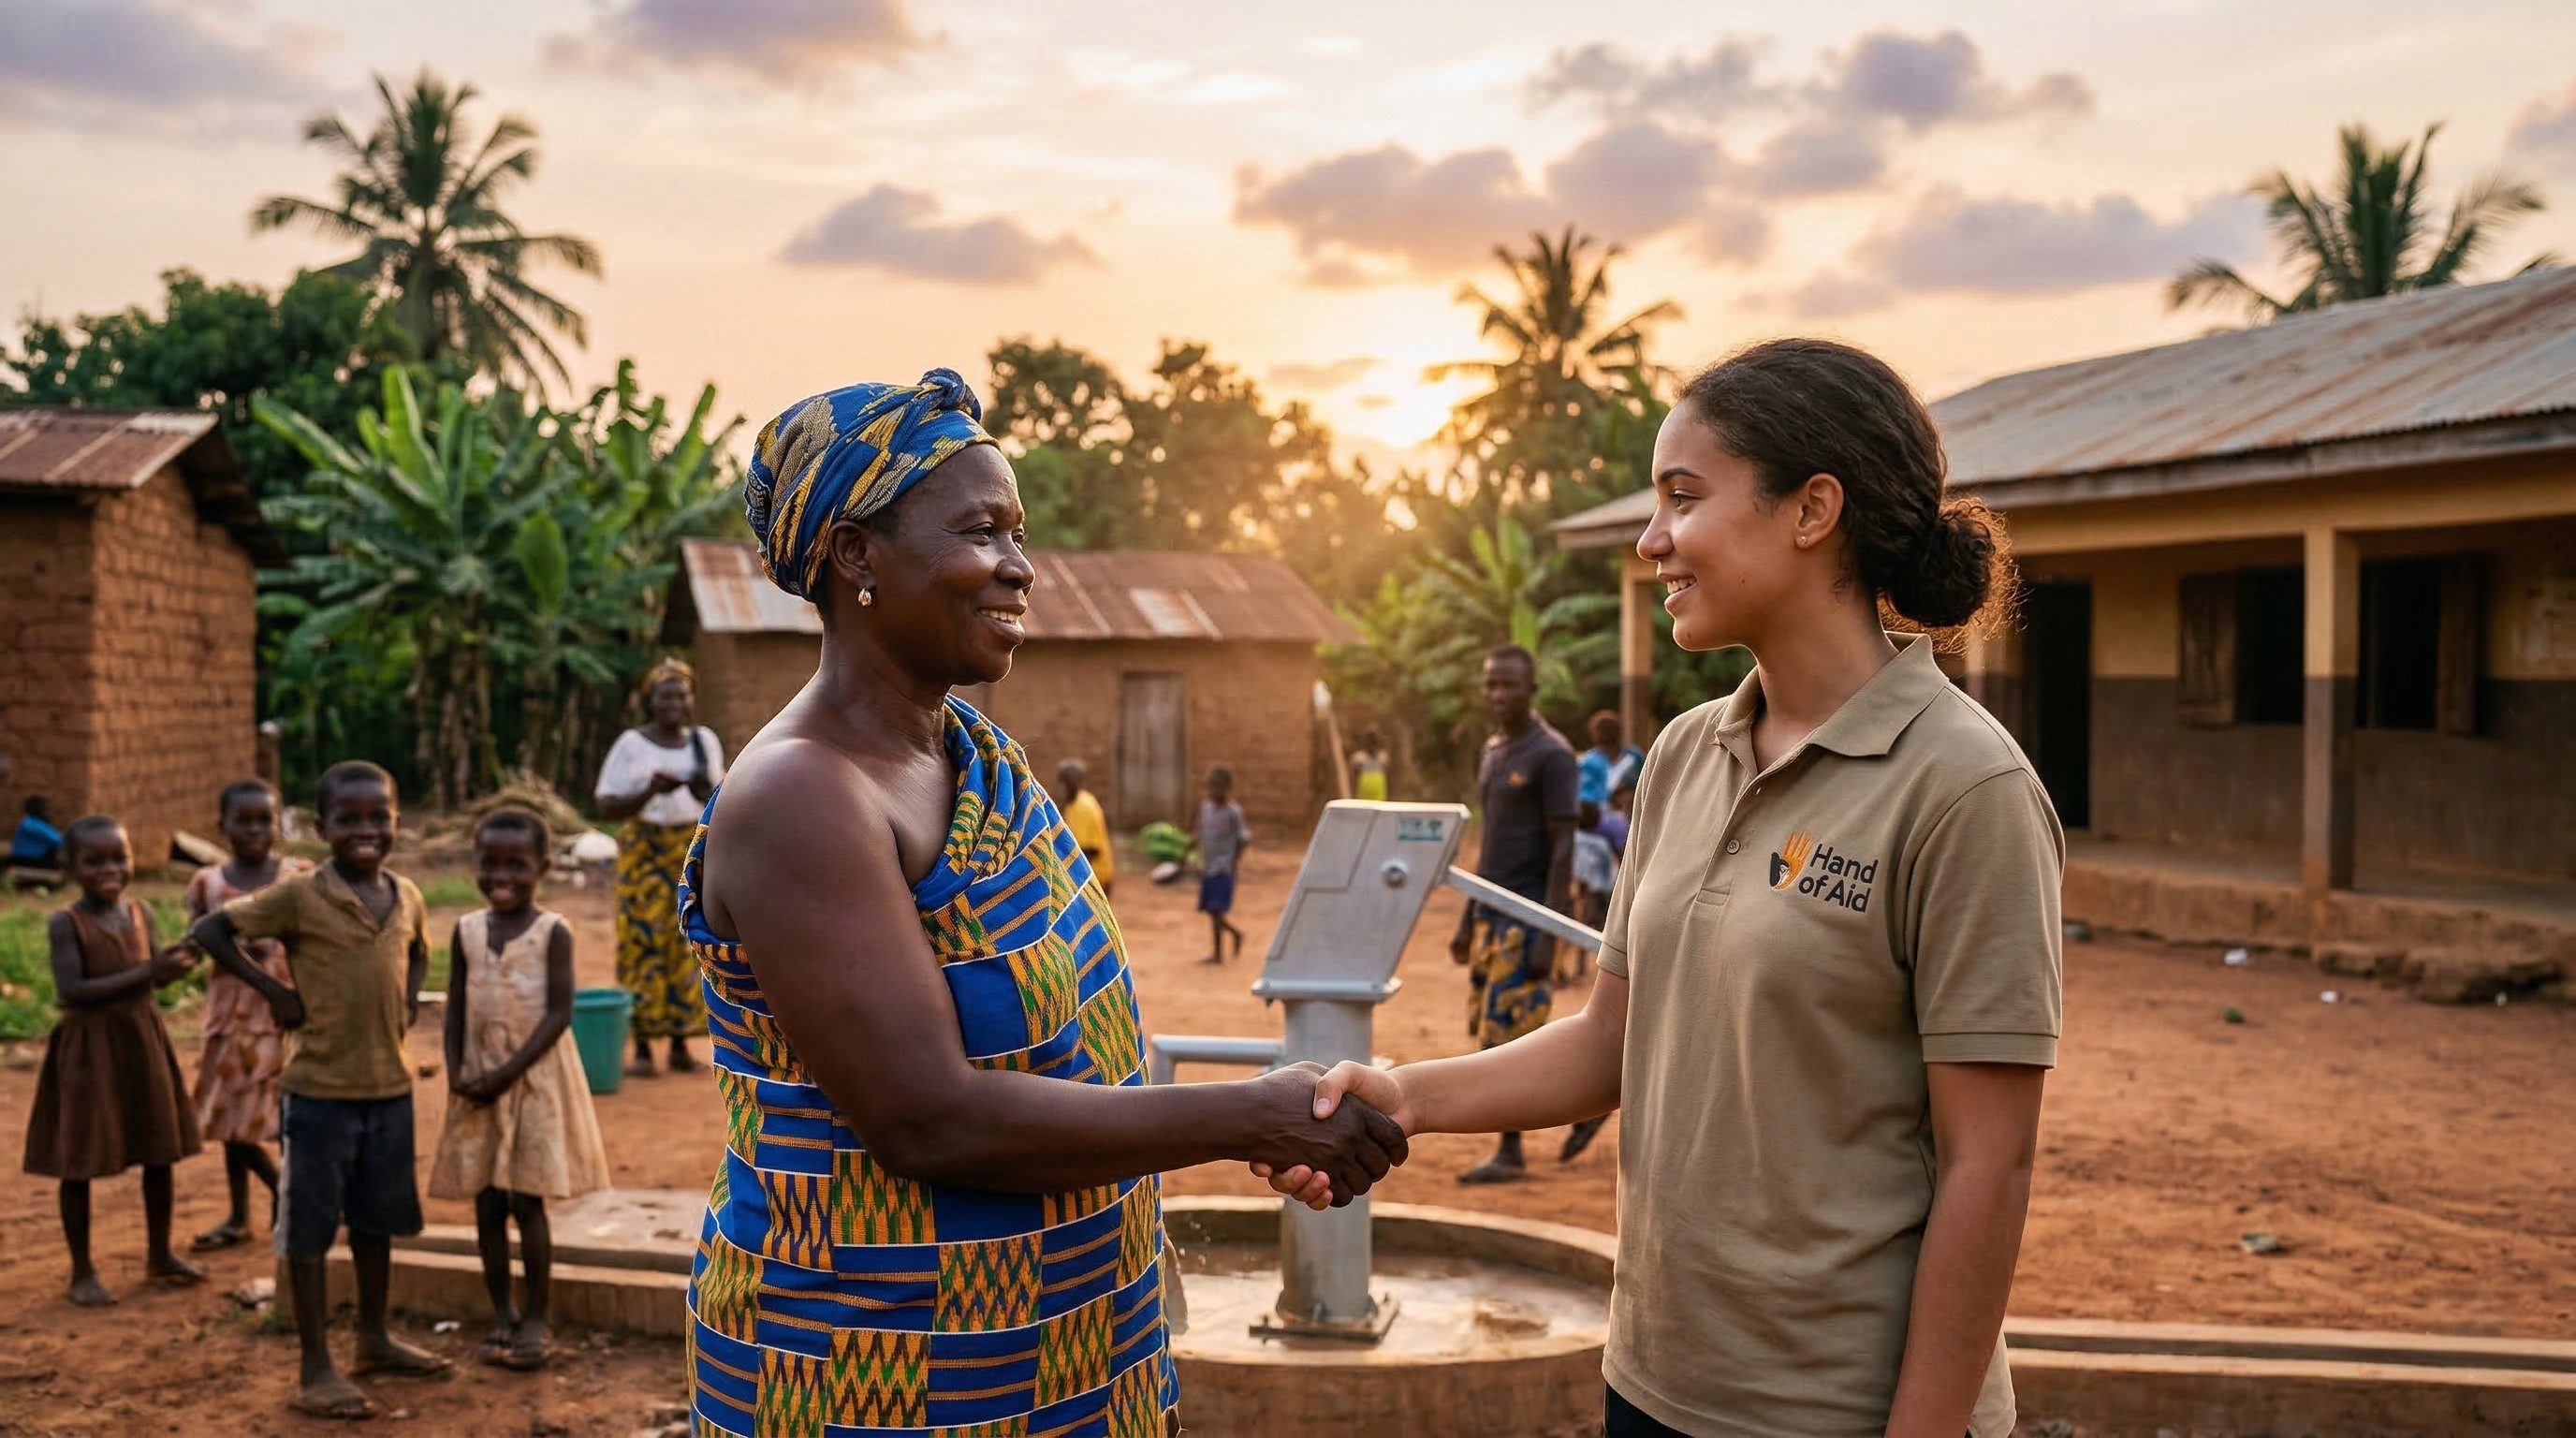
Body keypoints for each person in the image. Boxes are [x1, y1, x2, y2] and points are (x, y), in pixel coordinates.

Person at [1262, 338, 2064, 1438]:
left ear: (1810, 509)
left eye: (1682, 499)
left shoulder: (1964, 789)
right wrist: (1407, 1096)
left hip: (1835, 1410)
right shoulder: (1687, 754)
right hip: (1654, 1382)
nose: (1651, 542)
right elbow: (1611, 1044)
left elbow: (1990, 1163)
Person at [681, 369, 1405, 1434]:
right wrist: (1243, 1111)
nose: (1020, 569)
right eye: (982, 531)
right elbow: (926, 1120)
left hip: (1065, 1354)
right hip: (873, 1372)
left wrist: (1256, 1123)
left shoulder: (972, 755)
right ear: (853, 555)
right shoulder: (802, 796)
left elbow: (1065, 1052)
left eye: (1019, 534)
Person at [192, 760, 449, 1421]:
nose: (366, 830)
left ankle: (373, 1337)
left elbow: (418, 949)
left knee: (376, 1221)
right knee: (307, 1231)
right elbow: (211, 931)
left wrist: (410, 999)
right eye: (349, 819)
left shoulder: (408, 893)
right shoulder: (301, 894)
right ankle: (314, 1366)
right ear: (320, 826)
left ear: (397, 822)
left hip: (389, 1087)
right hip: (318, 1094)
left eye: (378, 818)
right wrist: (276, 992)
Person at [428, 807, 609, 1373]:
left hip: (533, 1082)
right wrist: (457, 1073)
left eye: (516, 864)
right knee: (486, 1201)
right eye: (489, 862)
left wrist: (504, 1076)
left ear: (544, 868)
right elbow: (455, 1006)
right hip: (477, 1083)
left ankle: (536, 1316)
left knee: (526, 1200)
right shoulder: (465, 930)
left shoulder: (552, 931)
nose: (500, 874)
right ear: (473, 864)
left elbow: (558, 1014)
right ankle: (500, 1313)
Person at [22, 814, 206, 1305]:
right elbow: (73, 990)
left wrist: (177, 964)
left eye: (118, 858)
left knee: (158, 1148)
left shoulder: (141, 913)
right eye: (94, 861)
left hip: (141, 1038)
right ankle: (82, 1270)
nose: (110, 870)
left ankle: (160, 1253)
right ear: (70, 866)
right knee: (78, 1158)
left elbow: (154, 976)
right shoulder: (68, 922)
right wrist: (150, 970)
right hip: (88, 1051)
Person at [1448, 644, 1578, 1185]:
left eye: (1509, 685)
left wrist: (1551, 930)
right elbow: (1492, 843)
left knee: (1512, 1035)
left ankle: (1511, 1151)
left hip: (1527, 918)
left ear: (1532, 690)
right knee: (1488, 1028)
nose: (1498, 695)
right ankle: (1590, 1108)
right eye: (1491, 685)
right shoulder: (1494, 750)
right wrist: (1466, 917)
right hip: (1490, 915)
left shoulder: (1552, 755)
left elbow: (1564, 844)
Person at [184, 778, 310, 1253]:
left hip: (286, 1013)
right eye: (243, 820)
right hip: (230, 1016)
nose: (255, 829)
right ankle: (249, 1208)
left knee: (286, 1117)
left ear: (278, 823)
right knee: (228, 1119)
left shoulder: (298, 876)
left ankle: (293, 1204)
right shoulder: (208, 883)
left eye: (265, 819)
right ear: (222, 826)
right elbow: (195, 940)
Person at [595, 658, 724, 1078]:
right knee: (640, 940)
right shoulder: (632, 745)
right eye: (664, 695)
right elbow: (606, 805)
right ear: (650, 701)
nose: (673, 702)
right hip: (643, 852)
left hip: (687, 851)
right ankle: (645, 1048)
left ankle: (680, 1044)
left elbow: (719, 797)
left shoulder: (703, 742)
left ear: (691, 700)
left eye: (680, 694)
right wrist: (648, 790)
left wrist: (691, 783)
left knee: (685, 942)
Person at [1195, 765, 1251, 964]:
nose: (1213, 792)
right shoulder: (1205, 808)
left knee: (1217, 910)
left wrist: (1234, 862)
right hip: (1208, 867)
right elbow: (1200, 832)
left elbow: (1243, 839)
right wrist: (1187, 854)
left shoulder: (1233, 812)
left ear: (1227, 789)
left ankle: (1224, 947)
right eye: (1211, 787)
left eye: (1218, 788)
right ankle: (1228, 941)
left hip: (1223, 868)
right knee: (1212, 912)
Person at [1057, 756, 1116, 897]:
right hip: (1089, 877)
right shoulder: (1076, 803)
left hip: (1095, 877)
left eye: (1062, 783)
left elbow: (1089, 850)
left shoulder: (1082, 807)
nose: (1059, 788)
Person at [1576, 710, 1645, 811]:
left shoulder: (1634, 756)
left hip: (1631, 811)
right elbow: (1585, 795)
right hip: (1600, 818)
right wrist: (1611, 795)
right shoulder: (1589, 762)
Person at [10, 795, 64, 870]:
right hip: (27, 860)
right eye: (45, 809)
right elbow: (58, 840)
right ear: (36, 809)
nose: (48, 812)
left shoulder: (38, 823)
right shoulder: (30, 823)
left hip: (33, 859)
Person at [1350, 726, 1391, 802]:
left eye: (1374, 741)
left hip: (1379, 794)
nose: (1372, 744)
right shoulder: (1359, 759)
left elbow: (1387, 778)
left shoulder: (1383, 758)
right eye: (1370, 741)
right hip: (1364, 795)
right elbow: (1353, 780)